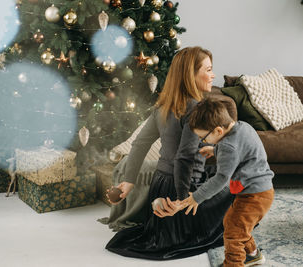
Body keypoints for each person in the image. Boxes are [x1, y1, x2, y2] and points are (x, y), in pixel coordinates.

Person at [105, 46, 234, 260]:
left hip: (159, 187)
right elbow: (183, 158)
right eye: (208, 70)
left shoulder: (163, 106)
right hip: (182, 189)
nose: (213, 75)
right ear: (191, 75)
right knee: (237, 187)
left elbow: (139, 144)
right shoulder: (197, 109)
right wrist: (184, 201)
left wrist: (128, 182)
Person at [183, 97, 274, 267]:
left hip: (254, 195)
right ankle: (253, 255)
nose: (203, 141)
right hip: (261, 190)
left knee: (234, 233)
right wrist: (215, 149)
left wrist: (197, 197)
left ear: (218, 130)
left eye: (204, 137)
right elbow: (238, 147)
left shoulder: (227, 147)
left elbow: (221, 178)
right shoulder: (242, 126)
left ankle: (233, 264)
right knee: (234, 223)